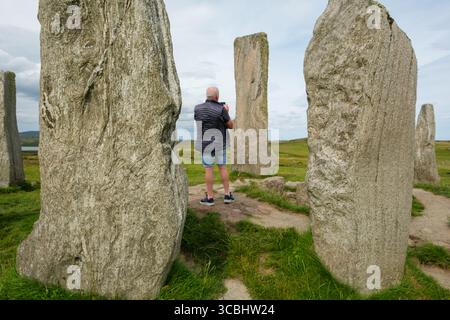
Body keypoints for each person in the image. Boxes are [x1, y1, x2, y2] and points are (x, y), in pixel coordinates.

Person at [194, 87, 235, 206]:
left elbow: (200, 122)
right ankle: (227, 195)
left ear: (207, 96)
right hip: (219, 143)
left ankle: (210, 197)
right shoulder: (221, 109)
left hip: (205, 144)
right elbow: (230, 125)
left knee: (208, 169)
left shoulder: (197, 108)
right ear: (217, 97)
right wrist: (226, 111)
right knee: (222, 167)